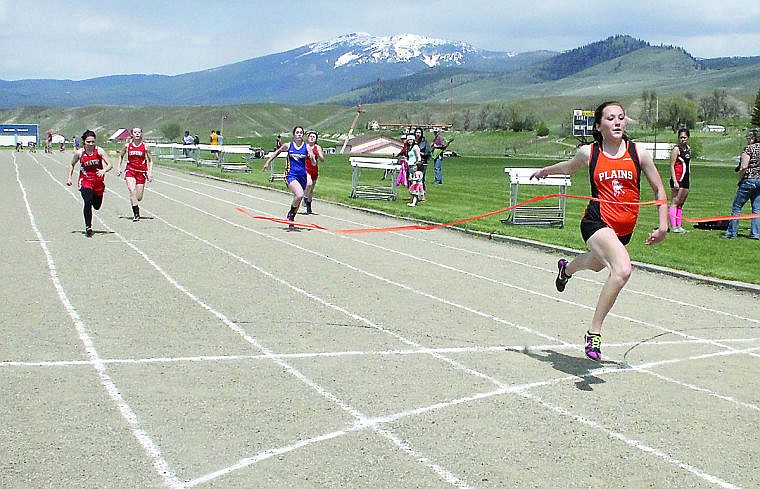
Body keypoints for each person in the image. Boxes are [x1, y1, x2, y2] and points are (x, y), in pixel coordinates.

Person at [530, 101, 668, 361]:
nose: (617, 122)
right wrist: (545, 172)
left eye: (621, 118)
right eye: (610, 118)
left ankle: (566, 270)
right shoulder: (589, 153)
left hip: (624, 228)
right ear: (598, 125)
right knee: (622, 270)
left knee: (595, 265)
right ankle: (594, 332)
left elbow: (659, 190)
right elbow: (568, 167)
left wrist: (663, 225)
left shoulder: (639, 153)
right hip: (597, 221)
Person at [262, 126, 313, 231]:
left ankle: (292, 218)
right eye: (297, 132)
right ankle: (291, 214)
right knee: (300, 194)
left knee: (297, 199)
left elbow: (313, 161)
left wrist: (312, 158)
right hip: (291, 175)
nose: (299, 134)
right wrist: (268, 162)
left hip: (302, 175)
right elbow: (277, 152)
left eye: (301, 133)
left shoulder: (306, 147)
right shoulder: (288, 145)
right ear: (294, 134)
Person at [66, 129, 113, 237]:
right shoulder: (79, 153)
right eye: (88, 142)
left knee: (96, 206)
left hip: (98, 182)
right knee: (87, 201)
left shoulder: (99, 151)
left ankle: (95, 199)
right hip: (85, 181)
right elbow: (72, 164)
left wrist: (104, 170)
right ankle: (88, 227)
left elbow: (110, 164)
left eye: (93, 142)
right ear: (84, 142)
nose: (91, 144)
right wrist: (69, 178)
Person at [724, 129, 760, 239]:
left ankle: (731, 233)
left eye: (748, 137)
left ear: (753, 138)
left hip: (748, 180)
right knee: (757, 209)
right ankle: (756, 234)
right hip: (759, 181)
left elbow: (744, 167)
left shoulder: (749, 148)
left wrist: (740, 180)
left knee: (737, 206)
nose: (747, 139)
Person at [116, 127, 153, 222]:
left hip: (141, 172)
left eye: (139, 132)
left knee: (139, 197)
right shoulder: (127, 146)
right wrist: (119, 167)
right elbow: (121, 155)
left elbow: (150, 160)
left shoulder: (145, 146)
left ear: (141, 134)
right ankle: (136, 214)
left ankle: (136, 203)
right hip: (130, 171)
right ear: (132, 134)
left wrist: (149, 172)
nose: (137, 134)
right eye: (135, 132)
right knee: (132, 191)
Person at [668, 128, 691, 233]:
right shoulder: (676, 149)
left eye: (685, 137)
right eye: (681, 137)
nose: (683, 140)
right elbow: (672, 165)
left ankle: (679, 225)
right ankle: (673, 226)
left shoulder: (688, 149)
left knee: (681, 203)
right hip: (677, 178)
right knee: (675, 202)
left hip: (686, 179)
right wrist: (675, 181)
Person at [303, 130, 324, 214]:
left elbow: (322, 159)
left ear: (316, 139)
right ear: (308, 138)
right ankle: (304, 198)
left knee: (311, 190)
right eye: (310, 136)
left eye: (313, 137)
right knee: (309, 183)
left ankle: (309, 205)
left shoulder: (317, 147)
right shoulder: (304, 146)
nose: (312, 138)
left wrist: (318, 155)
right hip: (305, 168)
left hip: (314, 169)